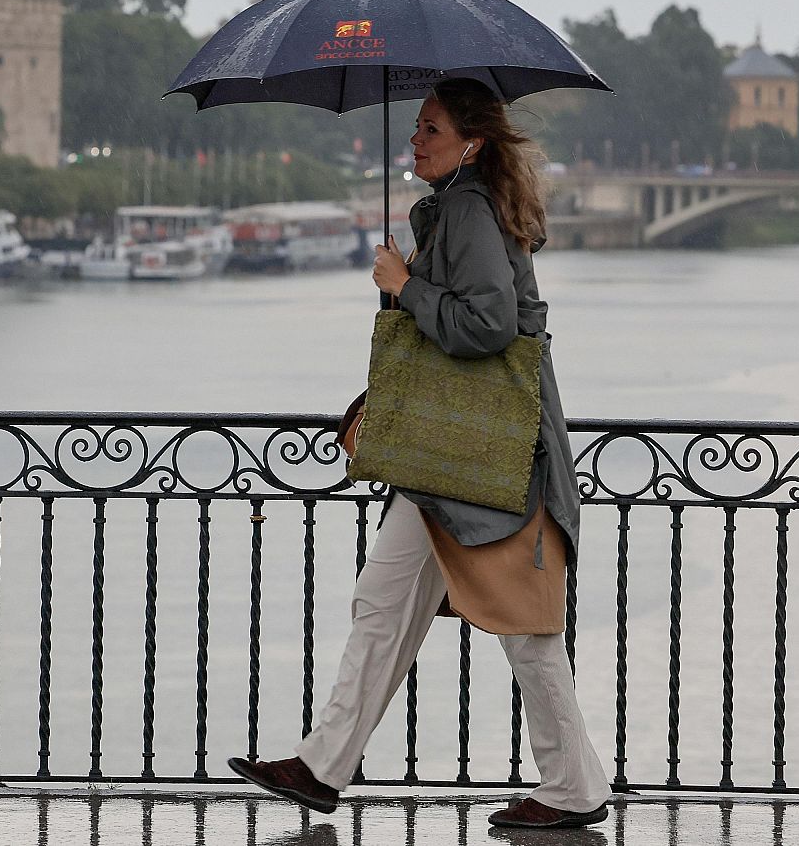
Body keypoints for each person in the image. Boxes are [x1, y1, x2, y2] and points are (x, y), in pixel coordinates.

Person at [228, 78, 611, 830]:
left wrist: (405, 287)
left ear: (470, 141)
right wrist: (410, 283)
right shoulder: (460, 208)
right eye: (414, 129)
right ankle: (321, 766)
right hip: (453, 463)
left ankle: (572, 787)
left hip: (485, 461)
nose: (414, 142)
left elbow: (491, 326)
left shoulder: (466, 208)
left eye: (429, 130)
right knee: (385, 605)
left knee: (525, 631)